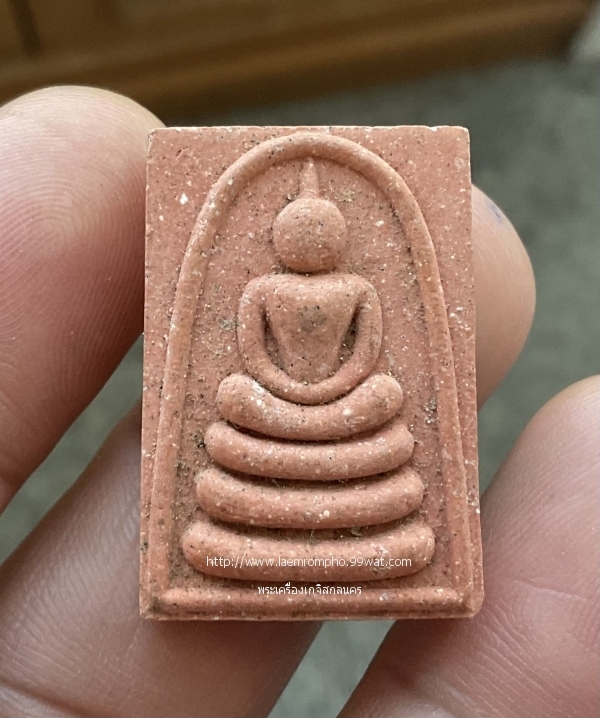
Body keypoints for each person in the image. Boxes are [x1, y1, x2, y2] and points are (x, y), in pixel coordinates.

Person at [0, 87, 597, 717]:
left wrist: (333, 392)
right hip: (270, 403)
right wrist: (287, 391)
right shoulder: (262, 288)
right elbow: (253, 355)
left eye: (320, 231)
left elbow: (367, 354)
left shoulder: (357, 287)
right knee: (233, 395)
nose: (310, 240)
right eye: (300, 231)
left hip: (349, 404)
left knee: (386, 395)